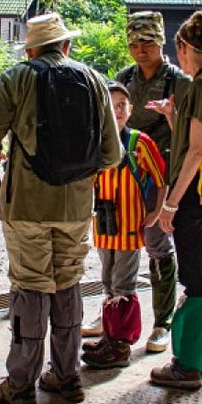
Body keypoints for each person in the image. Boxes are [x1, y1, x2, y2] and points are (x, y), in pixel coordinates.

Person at [0, 12, 121, 404]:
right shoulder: (92, 80)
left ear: (32, 48)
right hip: (75, 206)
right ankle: (67, 376)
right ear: (66, 45)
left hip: (26, 205)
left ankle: (21, 385)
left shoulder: (15, 78)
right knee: (67, 282)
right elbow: (113, 154)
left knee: (31, 284)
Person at [83, 11, 190, 353]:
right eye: (134, 43)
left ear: (160, 42)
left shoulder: (177, 82)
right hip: (120, 180)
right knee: (111, 250)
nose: (140, 49)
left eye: (147, 42)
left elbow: (190, 135)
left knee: (158, 249)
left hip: (158, 179)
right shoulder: (123, 79)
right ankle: (110, 310)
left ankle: (163, 321)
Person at [148, 10, 202, 391]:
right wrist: (172, 118)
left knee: (195, 275)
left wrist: (170, 204)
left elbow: (196, 152)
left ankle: (187, 364)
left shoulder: (198, 86)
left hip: (195, 196)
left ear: (183, 48)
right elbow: (197, 138)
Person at [81, 80, 166, 369]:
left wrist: (155, 213)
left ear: (130, 109)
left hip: (130, 227)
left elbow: (161, 179)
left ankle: (121, 346)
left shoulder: (139, 143)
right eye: (111, 104)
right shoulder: (94, 142)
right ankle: (110, 337)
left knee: (123, 284)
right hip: (104, 227)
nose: (116, 110)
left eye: (122, 105)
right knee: (107, 283)